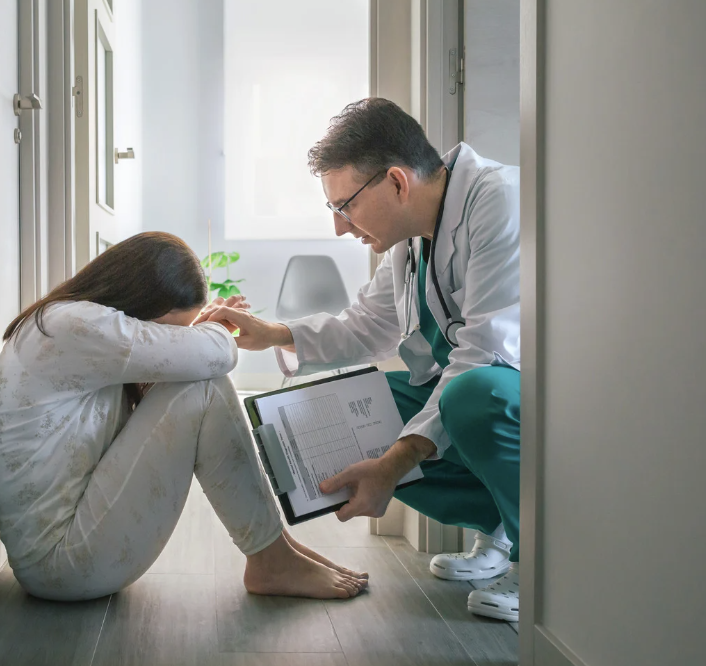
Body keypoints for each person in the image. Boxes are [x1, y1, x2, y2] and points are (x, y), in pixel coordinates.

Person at [204, 98, 521, 622]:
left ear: (397, 182)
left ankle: (541, 564)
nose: (340, 228)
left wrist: (392, 466)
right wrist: (271, 333)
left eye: (343, 205)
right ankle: (502, 526)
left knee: (471, 394)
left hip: (524, 396)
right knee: (346, 408)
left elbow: (484, 354)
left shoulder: (498, 202)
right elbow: (364, 326)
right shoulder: (411, 240)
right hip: (477, 396)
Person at [0, 232, 368, 601]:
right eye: (173, 330)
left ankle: (275, 547)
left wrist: (195, 336)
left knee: (198, 379)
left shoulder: (72, 323)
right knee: (202, 384)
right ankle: (271, 557)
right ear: (147, 305)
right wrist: (215, 328)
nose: (175, 338)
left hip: (65, 549)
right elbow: (216, 356)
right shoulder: (74, 325)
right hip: (61, 564)